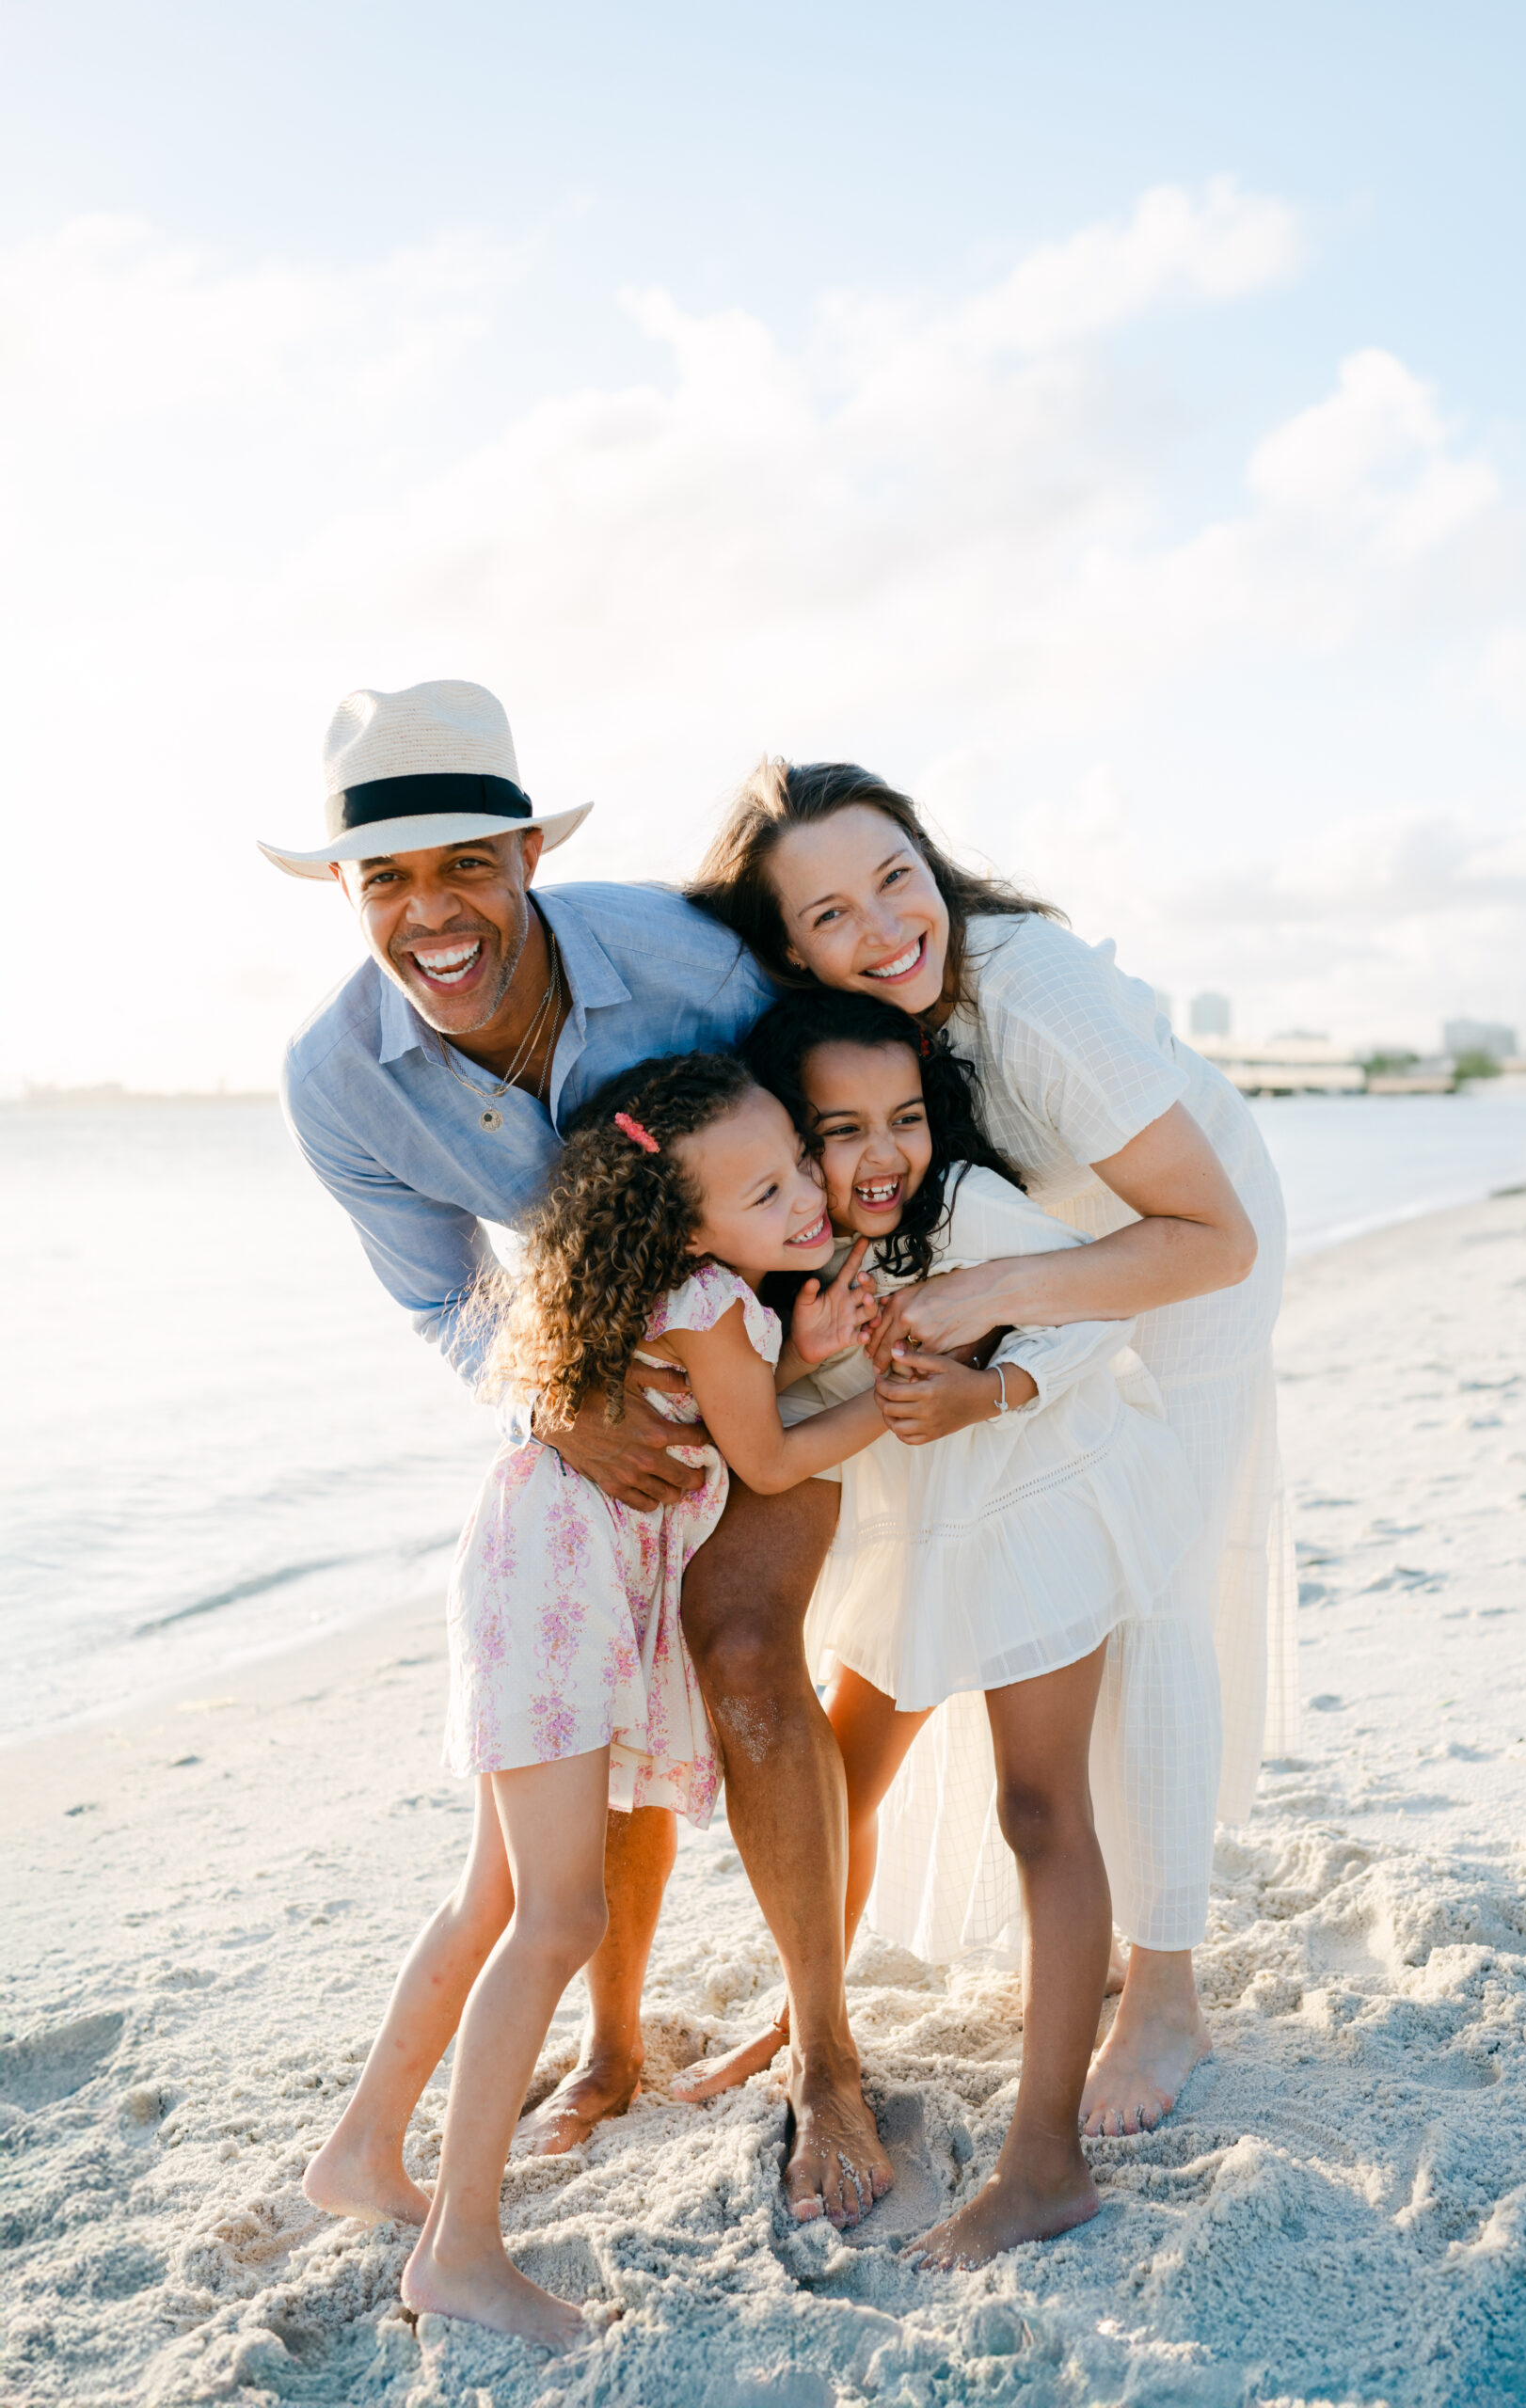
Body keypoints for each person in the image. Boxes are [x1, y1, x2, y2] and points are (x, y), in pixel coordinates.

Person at [264, 681, 892, 2227]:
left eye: (466, 863)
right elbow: (441, 1297)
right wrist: (558, 1404)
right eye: (387, 880)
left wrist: (853, 1313)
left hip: (784, 1340)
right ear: (349, 895)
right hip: (591, 1414)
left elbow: (848, 1074)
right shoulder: (335, 1079)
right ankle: (608, 2050)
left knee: (741, 1650)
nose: (435, 914)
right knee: (600, 1716)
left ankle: (826, 2059)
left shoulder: (688, 961)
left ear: (530, 852)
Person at [687, 758, 1296, 2138]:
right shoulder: (830, 1037)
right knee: (936, 1573)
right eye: (832, 913)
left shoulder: (1033, 994)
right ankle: (821, 1986)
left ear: (933, 859)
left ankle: (1167, 1990)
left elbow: (1210, 1238)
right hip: (1020, 1245)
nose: (886, 926)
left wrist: (993, 1304)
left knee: (1156, 1587)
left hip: (1186, 1234)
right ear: (789, 952)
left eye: (900, 876)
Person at [309, 1053, 885, 2342]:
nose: (805, 1201)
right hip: (565, 1594)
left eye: (799, 1166)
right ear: (690, 1223)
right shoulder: (721, 1305)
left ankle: (359, 2151)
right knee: (557, 1915)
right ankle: (461, 2248)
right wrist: (885, 1404)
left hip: (524, 1565)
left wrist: (796, 1357)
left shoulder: (657, 1290)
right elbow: (773, 1453)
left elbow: (721, 1417)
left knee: (495, 1897)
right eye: (766, 1190)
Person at [729, 990, 1201, 2264]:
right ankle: (810, 2020)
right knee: (838, 1776)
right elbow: (770, 1405)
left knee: (1039, 1810)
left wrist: (987, 1387)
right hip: (920, 1537)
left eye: (906, 1119)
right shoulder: (788, 1246)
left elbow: (1103, 1315)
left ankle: (1044, 2159)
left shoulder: (971, 1212)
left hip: (1038, 1495)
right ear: (791, 1137)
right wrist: (800, 1356)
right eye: (843, 1129)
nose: (883, 1156)